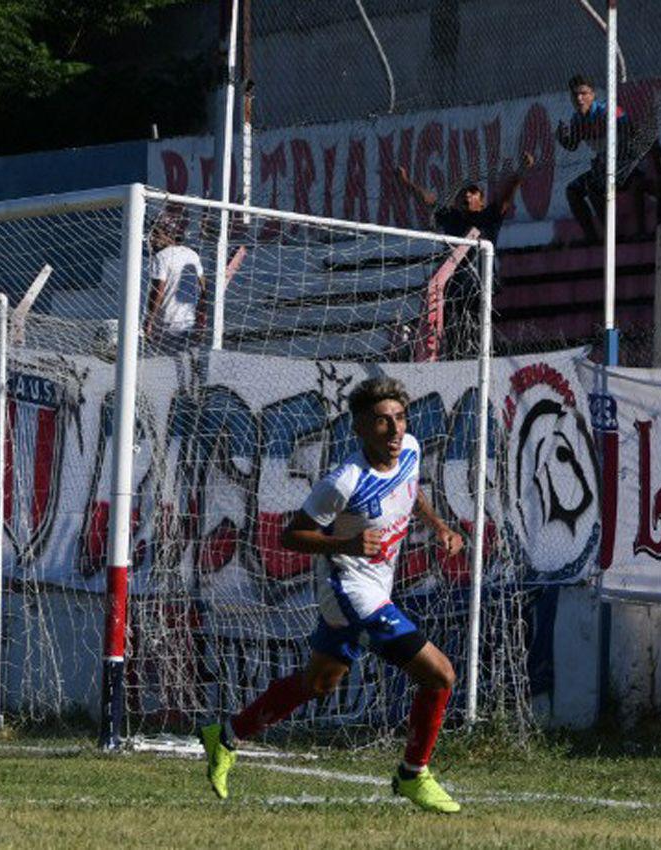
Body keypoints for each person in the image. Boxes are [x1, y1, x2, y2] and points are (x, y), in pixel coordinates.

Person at [198, 377, 466, 813]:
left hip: (377, 584)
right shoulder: (343, 481)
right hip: (350, 592)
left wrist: (439, 527)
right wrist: (344, 544)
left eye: (399, 418)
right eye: (382, 422)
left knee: (319, 682)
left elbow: (411, 491)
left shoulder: (411, 449)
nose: (394, 430)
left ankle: (225, 736)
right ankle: (412, 774)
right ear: (360, 428)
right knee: (439, 675)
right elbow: (292, 535)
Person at [395, 151, 533, 357]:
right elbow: (427, 200)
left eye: (473, 191)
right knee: (453, 337)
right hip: (453, 288)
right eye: (463, 193)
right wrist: (406, 182)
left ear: (482, 201)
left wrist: (522, 170)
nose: (467, 194)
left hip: (480, 288)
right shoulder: (451, 218)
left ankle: (483, 360)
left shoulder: (489, 217)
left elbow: (507, 194)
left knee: (479, 335)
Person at [557, 74, 637, 245]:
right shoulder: (577, 119)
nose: (579, 99)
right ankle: (591, 237)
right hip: (603, 168)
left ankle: (611, 235)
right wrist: (562, 138)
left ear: (592, 95)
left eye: (583, 94)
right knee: (572, 190)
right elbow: (573, 145)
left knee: (594, 185)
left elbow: (629, 134)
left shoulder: (608, 111)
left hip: (626, 165)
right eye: (575, 95)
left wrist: (610, 157)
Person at [146, 211, 207, 354]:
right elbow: (204, 289)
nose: (152, 239)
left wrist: (149, 320)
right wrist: (201, 318)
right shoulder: (192, 254)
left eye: (156, 234)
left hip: (167, 324)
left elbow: (158, 291)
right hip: (188, 323)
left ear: (169, 235)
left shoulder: (161, 257)